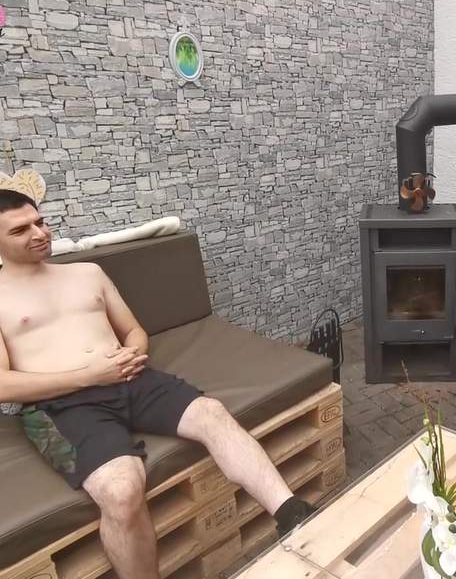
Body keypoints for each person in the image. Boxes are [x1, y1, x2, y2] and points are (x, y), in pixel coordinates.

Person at [0, 190, 314, 579]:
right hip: (61, 406)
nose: (39, 233)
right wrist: (89, 377)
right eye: (20, 230)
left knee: (211, 414)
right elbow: (3, 385)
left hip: (131, 379)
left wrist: (133, 354)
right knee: (122, 490)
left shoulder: (87, 273)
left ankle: (292, 513)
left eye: (40, 222)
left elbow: (133, 331)